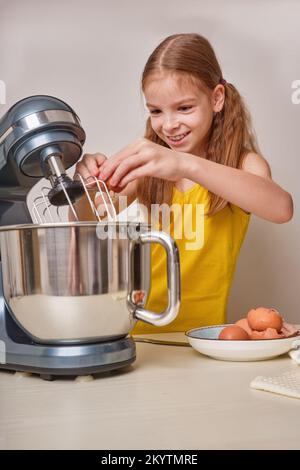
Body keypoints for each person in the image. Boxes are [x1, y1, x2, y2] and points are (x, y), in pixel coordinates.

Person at [75, 33, 293, 334]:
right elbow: (87, 227)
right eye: (155, 111)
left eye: (184, 108)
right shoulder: (145, 167)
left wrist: (185, 164)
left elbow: (281, 209)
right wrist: (86, 186)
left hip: (201, 342)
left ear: (216, 98)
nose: (168, 124)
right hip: (137, 340)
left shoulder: (243, 165)